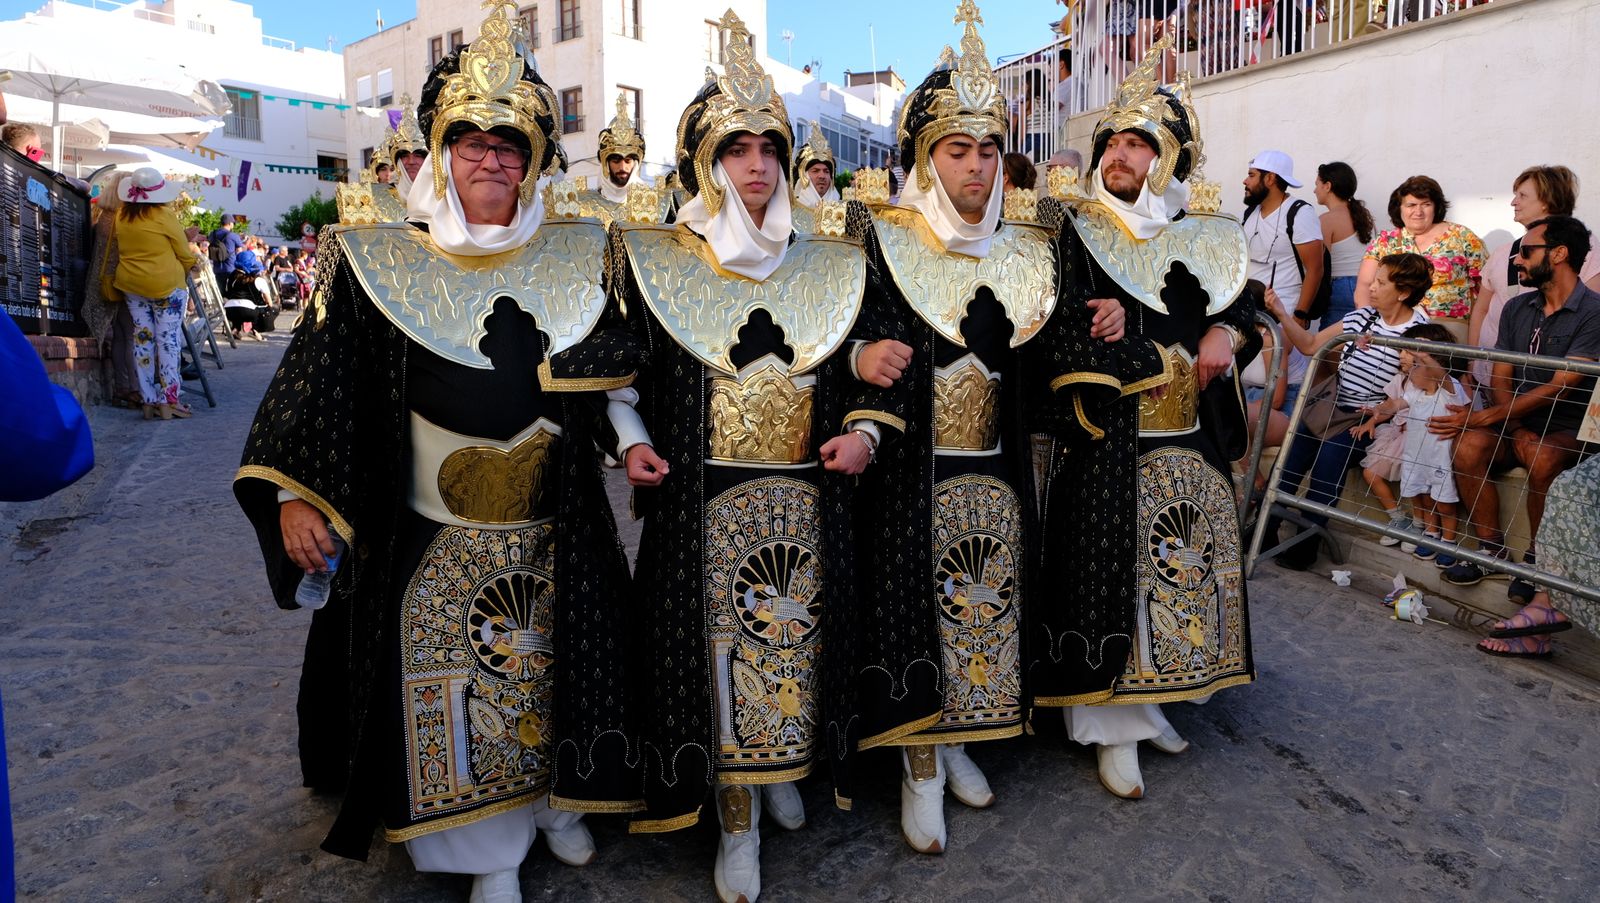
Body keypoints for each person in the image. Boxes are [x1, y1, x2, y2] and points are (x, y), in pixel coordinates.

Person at [234, 5, 639, 900]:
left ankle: (551, 804)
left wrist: (633, 441)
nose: (491, 157)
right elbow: (312, 392)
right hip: (431, 532)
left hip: (556, 521)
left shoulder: (584, 259)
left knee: (553, 671)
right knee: (456, 693)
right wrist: (299, 497)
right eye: (471, 139)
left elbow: (616, 377)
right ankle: (483, 852)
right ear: (441, 150)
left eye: (511, 142)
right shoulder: (378, 263)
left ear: (535, 158)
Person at [609, 14, 895, 901]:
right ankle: (735, 816)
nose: (759, 165)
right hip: (701, 502)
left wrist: (867, 429)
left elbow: (863, 355)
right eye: (738, 149)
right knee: (716, 662)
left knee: (794, 648)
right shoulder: (659, 258)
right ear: (708, 162)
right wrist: (633, 439)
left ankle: (779, 780)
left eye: (770, 146)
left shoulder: (827, 258)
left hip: (808, 497)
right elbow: (620, 370)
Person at [841, 3, 1125, 852]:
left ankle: (961, 737)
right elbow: (850, 333)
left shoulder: (1029, 246)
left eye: (987, 149)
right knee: (913, 610)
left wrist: (1105, 322)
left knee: (983, 609)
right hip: (909, 473)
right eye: (957, 150)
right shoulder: (881, 240)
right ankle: (919, 763)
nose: (974, 166)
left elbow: (1050, 340)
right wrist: (861, 366)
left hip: (996, 469)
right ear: (927, 159)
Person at [1039, 35, 1258, 801]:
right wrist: (1131, 337)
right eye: (1115, 142)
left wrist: (1225, 334)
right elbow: (1053, 323)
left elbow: (1242, 307)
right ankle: (1112, 726)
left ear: (1167, 158)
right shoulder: (1069, 229)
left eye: (1140, 143)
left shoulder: (1198, 232)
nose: (1122, 156)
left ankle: (1157, 695)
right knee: (1112, 579)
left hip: (1187, 440)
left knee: (1179, 577)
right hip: (1109, 437)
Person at [1436, 217, 1600, 644]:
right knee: (1468, 444)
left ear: (1559, 254)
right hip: (1516, 420)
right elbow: (1501, 373)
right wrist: (1510, 422)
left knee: (1542, 456)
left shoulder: (1595, 311)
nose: (1516, 259)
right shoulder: (1515, 307)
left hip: (1566, 428)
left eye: (1526, 251)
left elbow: (1566, 384)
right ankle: (1493, 552)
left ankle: (1536, 562)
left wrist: (1493, 418)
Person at [1263, 252, 1434, 570]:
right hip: (1330, 407)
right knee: (1289, 463)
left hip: (1369, 419)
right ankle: (1264, 532)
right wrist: (1281, 313)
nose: (1372, 286)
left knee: (1328, 466)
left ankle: (1305, 545)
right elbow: (1311, 345)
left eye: (1381, 282)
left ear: (1404, 292)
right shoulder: (1362, 318)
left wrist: (1402, 367)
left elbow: (1424, 384)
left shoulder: (1420, 331)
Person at [1469, 166, 1600, 396]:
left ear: (1546, 202)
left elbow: (1585, 313)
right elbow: (1480, 310)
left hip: (1547, 387)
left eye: (1522, 195)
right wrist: (1472, 361)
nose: (1513, 202)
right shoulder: (1503, 252)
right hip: (1494, 377)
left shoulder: (1585, 248)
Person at [1350, 323, 1471, 564]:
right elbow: (1394, 405)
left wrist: (1423, 354)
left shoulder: (1448, 388)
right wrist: (1377, 409)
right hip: (1416, 457)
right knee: (1422, 498)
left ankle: (1448, 541)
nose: (1408, 370)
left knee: (1444, 502)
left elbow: (1438, 371)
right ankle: (1430, 533)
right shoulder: (1414, 392)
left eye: (1415, 365)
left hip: (1440, 459)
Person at [110, 167, 202, 420]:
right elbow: (183, 253)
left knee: (142, 339)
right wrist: (185, 267)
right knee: (168, 341)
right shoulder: (164, 215)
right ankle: (170, 399)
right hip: (166, 285)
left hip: (131, 284)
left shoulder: (122, 216)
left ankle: (149, 399)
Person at [1357, 175, 1486, 339]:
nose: (1418, 212)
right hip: (1393, 329)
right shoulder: (1384, 241)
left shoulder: (1462, 236)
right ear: (1399, 208)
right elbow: (1364, 286)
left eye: (1426, 204)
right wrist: (1367, 326)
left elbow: (1486, 287)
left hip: (1449, 331)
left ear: (1436, 207)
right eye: (1411, 205)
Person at [1242, 150, 1321, 413]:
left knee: (1277, 389)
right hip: (1252, 316)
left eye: (1252, 175)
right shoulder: (1251, 213)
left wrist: (1298, 316)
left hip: (1282, 314)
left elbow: (1315, 269)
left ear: (1271, 179)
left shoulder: (1299, 213)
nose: (1245, 181)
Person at [569, 92, 664, 226]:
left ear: (636, 163)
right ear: (605, 163)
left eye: (628, 161)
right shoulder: (583, 204)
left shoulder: (655, 204)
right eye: (616, 160)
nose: (622, 167)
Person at [1315, 161, 1375, 328]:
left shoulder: (1326, 220)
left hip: (1340, 287)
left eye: (1317, 184)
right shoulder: (1363, 215)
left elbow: (1318, 265)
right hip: (1367, 285)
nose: (1314, 190)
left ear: (1327, 186)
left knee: (1331, 346)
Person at [789, 119, 839, 234]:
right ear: (803, 175)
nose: (822, 176)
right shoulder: (788, 211)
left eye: (826, 171)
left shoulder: (843, 213)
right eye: (815, 171)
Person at [209, 214, 244, 284]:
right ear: (230, 223)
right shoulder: (233, 235)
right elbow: (240, 251)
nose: (233, 224)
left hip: (216, 269)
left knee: (220, 291)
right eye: (233, 223)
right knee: (229, 292)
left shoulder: (212, 234)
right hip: (230, 268)